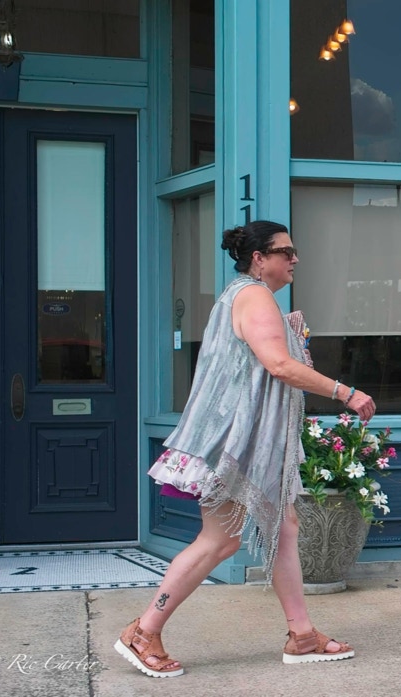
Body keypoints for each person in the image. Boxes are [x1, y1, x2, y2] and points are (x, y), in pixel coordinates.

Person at [114, 220, 376, 678]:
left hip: (249, 442)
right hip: (232, 442)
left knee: (284, 529)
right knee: (220, 540)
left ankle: (302, 635)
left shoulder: (246, 295)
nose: (294, 259)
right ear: (259, 258)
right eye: (285, 252)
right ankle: (143, 631)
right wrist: (345, 392)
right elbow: (279, 365)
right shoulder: (253, 296)